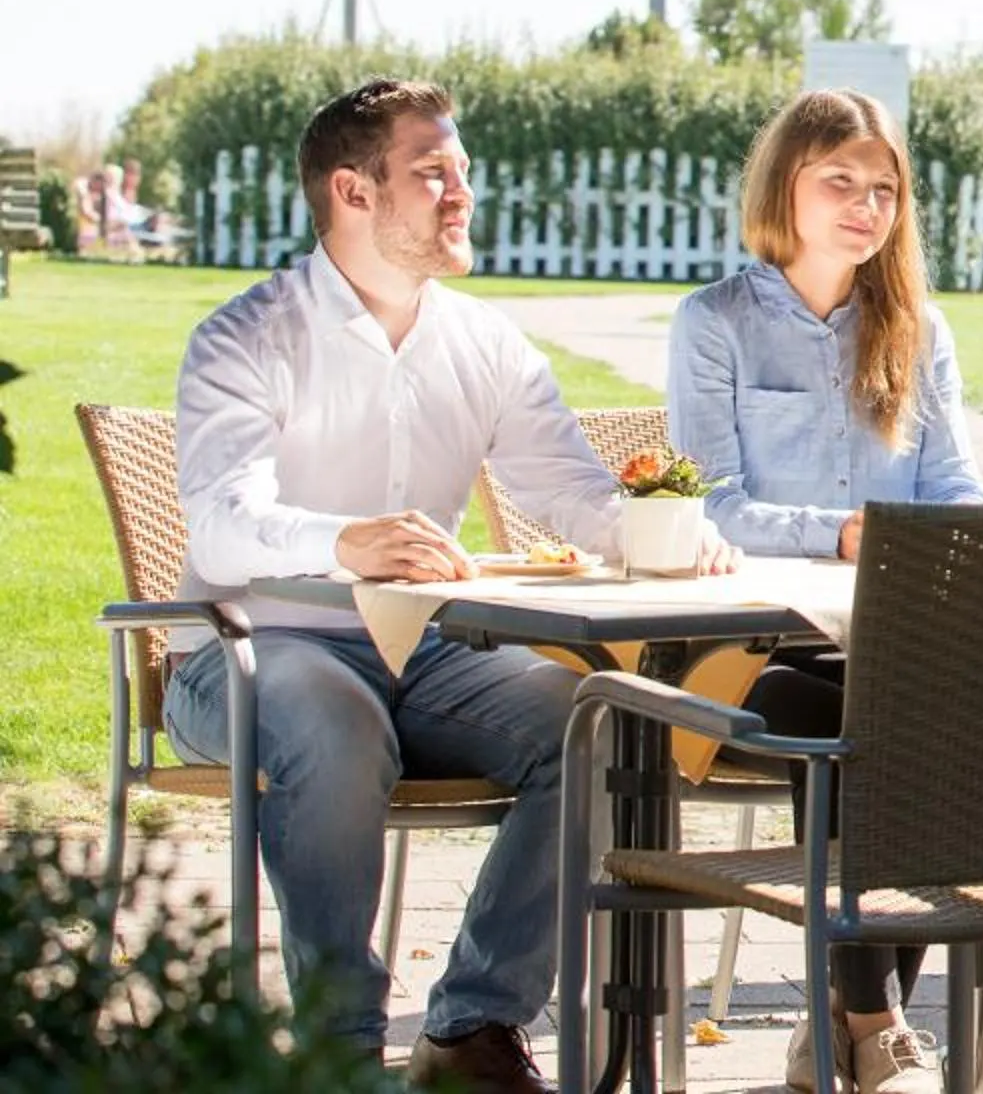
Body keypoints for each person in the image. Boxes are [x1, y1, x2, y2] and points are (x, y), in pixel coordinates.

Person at [165, 79, 733, 1094]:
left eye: (463, 171)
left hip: (419, 649)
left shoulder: (486, 342)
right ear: (351, 188)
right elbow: (218, 521)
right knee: (332, 719)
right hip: (243, 648)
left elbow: (562, 486)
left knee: (599, 717)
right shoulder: (246, 334)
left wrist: (671, 535)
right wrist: (349, 542)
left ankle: (471, 1027)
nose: (461, 192)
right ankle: (338, 1052)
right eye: (432, 172)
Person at [666, 88, 983, 1094]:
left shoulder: (916, 327)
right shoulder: (714, 321)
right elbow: (708, 504)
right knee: (860, 717)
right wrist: (842, 533)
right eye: (839, 181)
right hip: (746, 653)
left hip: (887, 641)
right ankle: (875, 1015)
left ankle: (842, 1023)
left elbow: (956, 488)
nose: (866, 204)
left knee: (924, 707)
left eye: (883, 187)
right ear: (786, 187)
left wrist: (964, 542)